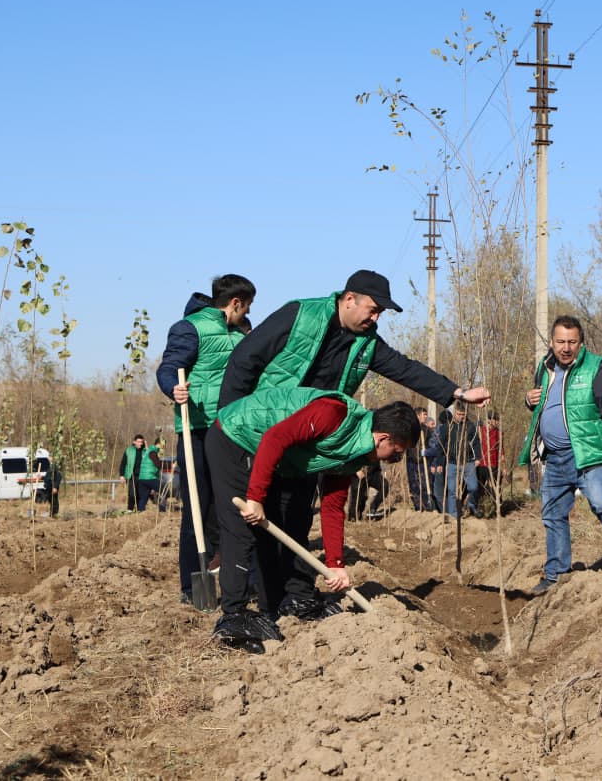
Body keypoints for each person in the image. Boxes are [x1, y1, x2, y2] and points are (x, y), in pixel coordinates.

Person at [217, 269, 490, 617]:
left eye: (380, 314)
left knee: (300, 513)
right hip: (266, 431)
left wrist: (455, 393)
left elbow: (404, 368)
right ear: (349, 299)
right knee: (267, 512)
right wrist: (231, 416)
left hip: (317, 440)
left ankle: (297, 594)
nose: (375, 319)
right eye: (372, 310)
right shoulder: (300, 314)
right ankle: (259, 598)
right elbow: (245, 359)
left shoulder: (366, 343)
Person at [207, 390, 418, 652]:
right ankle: (234, 617)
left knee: (283, 526)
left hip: (273, 454)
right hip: (237, 434)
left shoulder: (354, 455)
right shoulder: (334, 413)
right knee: (242, 531)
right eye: (395, 454)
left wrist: (336, 564)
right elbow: (275, 437)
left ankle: (276, 607)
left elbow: (331, 507)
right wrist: (255, 497)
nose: (393, 461)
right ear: (383, 438)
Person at [518, 315, 602, 595]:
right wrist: (530, 401)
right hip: (554, 458)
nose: (566, 348)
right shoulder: (545, 369)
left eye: (572, 342)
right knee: (553, 515)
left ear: (581, 343)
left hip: (588, 455)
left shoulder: (596, 368)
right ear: (552, 342)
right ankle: (556, 575)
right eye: (560, 342)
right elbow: (545, 405)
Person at [156, 273, 256, 606]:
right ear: (236, 303)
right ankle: (191, 587)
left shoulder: (243, 332)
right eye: (247, 306)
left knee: (231, 506)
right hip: (196, 428)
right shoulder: (190, 328)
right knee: (197, 507)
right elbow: (168, 368)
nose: (247, 313)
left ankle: (233, 576)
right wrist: (174, 387)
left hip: (232, 429)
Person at [435, 404, 479, 517]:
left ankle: (470, 505)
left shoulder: (470, 426)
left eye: (463, 415)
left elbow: (476, 442)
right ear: (454, 413)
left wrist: (478, 457)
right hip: (452, 463)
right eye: (459, 414)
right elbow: (441, 446)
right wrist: (439, 463)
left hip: (468, 462)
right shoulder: (447, 427)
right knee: (452, 490)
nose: (461, 417)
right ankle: (454, 514)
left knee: (473, 487)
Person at [119, 435, 161, 512]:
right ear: (134, 442)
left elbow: (151, 462)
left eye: (141, 442)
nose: (140, 443)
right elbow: (123, 463)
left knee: (141, 494)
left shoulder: (145, 451)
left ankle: (139, 510)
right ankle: (130, 509)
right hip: (132, 475)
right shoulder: (129, 450)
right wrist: (122, 475)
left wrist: (146, 446)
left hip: (142, 476)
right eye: (138, 442)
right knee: (132, 494)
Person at [406, 407, 435, 511]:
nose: (426, 417)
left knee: (425, 483)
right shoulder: (410, 429)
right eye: (424, 415)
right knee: (413, 484)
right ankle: (418, 507)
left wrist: (427, 453)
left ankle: (427, 506)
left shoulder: (426, 430)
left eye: (426, 415)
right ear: (418, 415)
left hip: (423, 461)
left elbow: (432, 445)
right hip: (411, 460)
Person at [476, 410, 503, 516]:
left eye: (497, 421)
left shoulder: (499, 433)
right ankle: (481, 509)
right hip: (482, 464)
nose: (496, 423)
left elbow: (502, 449)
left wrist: (503, 465)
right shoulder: (481, 430)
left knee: (496, 488)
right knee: (481, 488)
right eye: (494, 420)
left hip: (495, 464)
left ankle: (498, 510)